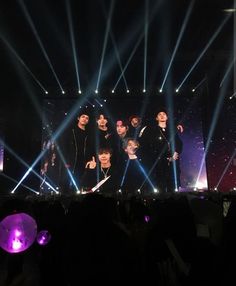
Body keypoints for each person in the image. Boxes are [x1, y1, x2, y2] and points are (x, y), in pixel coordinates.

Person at [143, 108, 183, 193]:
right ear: (156, 118)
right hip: (159, 162)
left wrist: (176, 153)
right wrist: (163, 157)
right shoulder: (153, 130)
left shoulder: (172, 130)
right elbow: (151, 146)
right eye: (159, 114)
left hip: (173, 161)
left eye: (164, 114)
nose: (162, 116)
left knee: (173, 186)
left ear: (167, 117)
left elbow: (179, 143)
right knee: (160, 185)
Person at [59, 109, 94, 192]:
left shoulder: (89, 133)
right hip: (71, 160)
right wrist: (66, 161)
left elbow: (90, 148)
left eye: (87, 118)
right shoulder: (71, 131)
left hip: (83, 162)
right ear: (78, 118)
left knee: (79, 183)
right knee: (66, 183)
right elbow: (64, 146)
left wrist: (90, 160)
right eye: (83, 117)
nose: (85, 119)